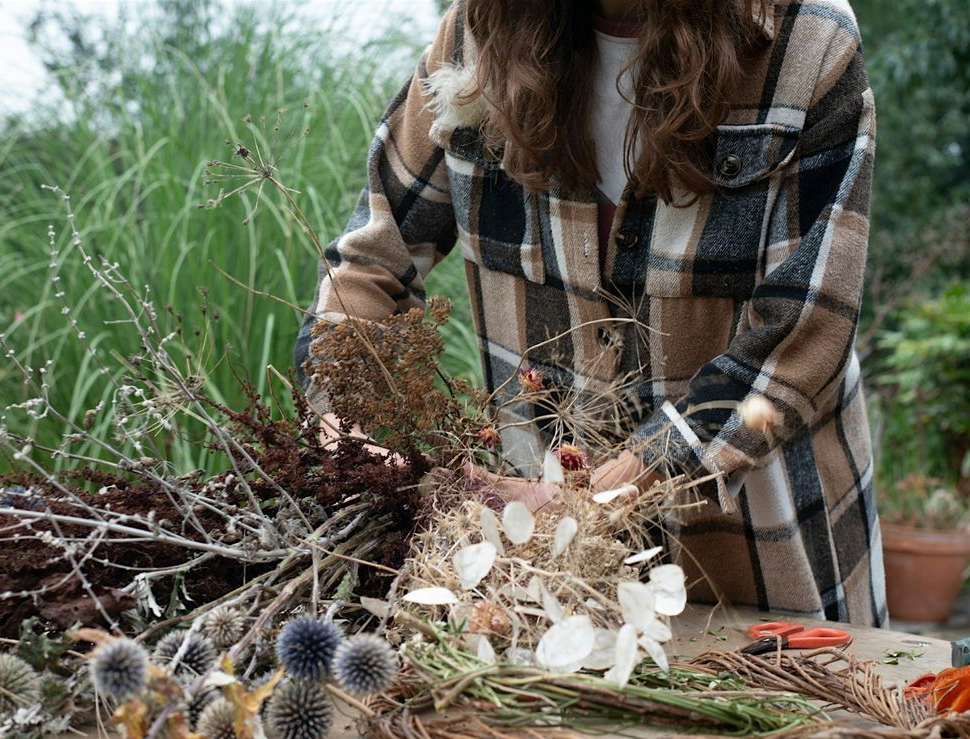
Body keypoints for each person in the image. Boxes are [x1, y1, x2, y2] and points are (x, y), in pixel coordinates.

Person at [294, 0, 884, 627]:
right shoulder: (476, 37)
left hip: (758, 559)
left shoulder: (807, 42)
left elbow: (801, 335)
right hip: (549, 573)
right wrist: (345, 436)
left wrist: (605, 489)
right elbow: (371, 264)